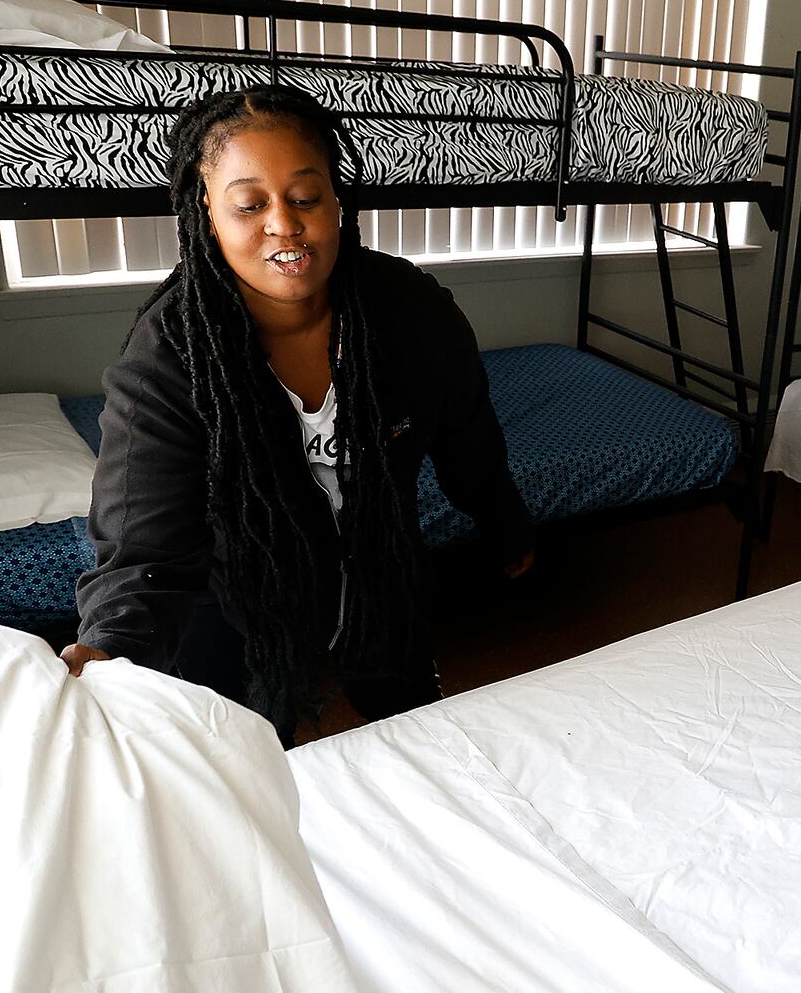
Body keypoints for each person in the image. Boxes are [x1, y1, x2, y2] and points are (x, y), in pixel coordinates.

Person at [62, 84, 533, 741]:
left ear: (336, 200)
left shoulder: (412, 313)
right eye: (250, 204)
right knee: (240, 754)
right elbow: (144, 541)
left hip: (381, 570)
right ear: (208, 209)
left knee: (414, 735)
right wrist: (108, 646)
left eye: (306, 198)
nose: (284, 224)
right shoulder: (170, 356)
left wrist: (505, 521)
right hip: (238, 592)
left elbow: (468, 438)